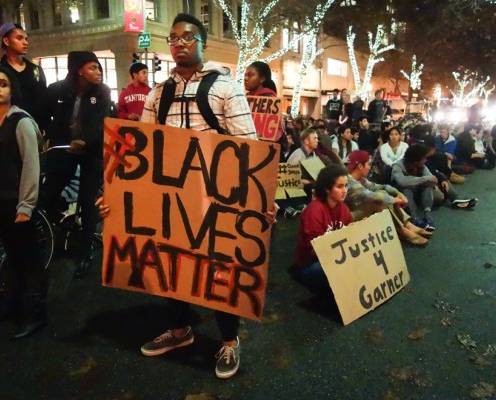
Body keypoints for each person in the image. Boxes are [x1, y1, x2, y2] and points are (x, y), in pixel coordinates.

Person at [140, 14, 277, 379]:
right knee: (172, 262)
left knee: (221, 268)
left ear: (202, 43)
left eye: (188, 37)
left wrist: (262, 197)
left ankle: (229, 340)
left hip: (217, 199)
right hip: (171, 200)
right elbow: (140, 151)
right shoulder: (157, 94)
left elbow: (249, 145)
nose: (179, 43)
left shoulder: (226, 88)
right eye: (173, 38)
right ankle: (180, 330)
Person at [0, 65, 45, 339]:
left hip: (18, 203)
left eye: (2, 84)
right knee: (13, 257)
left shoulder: (21, 122)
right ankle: (13, 307)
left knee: (30, 260)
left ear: (11, 89)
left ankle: (36, 314)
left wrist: (26, 205)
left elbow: (32, 164)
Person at [40, 51, 111, 278]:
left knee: (88, 200)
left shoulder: (102, 92)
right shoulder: (57, 90)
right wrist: (47, 136)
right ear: (79, 70)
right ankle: (54, 230)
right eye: (93, 67)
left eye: (99, 67)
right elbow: (43, 116)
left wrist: (85, 140)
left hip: (90, 151)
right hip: (64, 149)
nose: (98, 72)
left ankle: (86, 249)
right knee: (48, 192)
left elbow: (101, 122)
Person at [344, 150, 431, 246]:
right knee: (376, 200)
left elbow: (380, 186)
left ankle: (406, 225)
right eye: (368, 164)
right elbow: (371, 196)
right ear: (360, 166)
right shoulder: (350, 183)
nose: (369, 168)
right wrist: (395, 200)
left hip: (359, 209)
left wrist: (397, 193)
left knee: (383, 193)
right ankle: (402, 230)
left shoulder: (361, 179)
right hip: (348, 217)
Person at [290, 165, 352, 295]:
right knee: (341, 270)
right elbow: (314, 251)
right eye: (339, 186)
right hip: (309, 264)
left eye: (345, 186)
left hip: (334, 256)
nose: (344, 190)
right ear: (327, 189)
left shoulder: (344, 209)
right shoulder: (314, 211)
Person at [391, 144, 438, 231]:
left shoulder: (422, 166)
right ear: (416, 160)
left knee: (429, 187)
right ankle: (414, 218)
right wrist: (424, 179)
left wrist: (428, 180)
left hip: (417, 192)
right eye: (423, 158)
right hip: (402, 196)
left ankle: (427, 214)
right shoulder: (397, 166)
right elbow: (402, 181)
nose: (425, 160)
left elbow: (432, 178)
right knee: (406, 189)